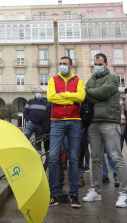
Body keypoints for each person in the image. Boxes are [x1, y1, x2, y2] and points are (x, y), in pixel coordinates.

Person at [82, 53, 127, 208]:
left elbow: (103, 92)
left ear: (106, 64)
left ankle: (124, 194)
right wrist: (96, 94)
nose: (97, 66)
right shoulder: (90, 80)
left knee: (116, 157)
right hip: (94, 123)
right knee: (96, 158)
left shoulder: (112, 78)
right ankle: (95, 191)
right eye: (95, 63)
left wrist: (93, 93)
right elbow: (86, 96)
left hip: (109, 122)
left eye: (100, 63)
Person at [47, 56, 85, 208]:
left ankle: (74, 194)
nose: (62, 66)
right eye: (60, 63)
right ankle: (53, 194)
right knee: (53, 158)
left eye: (65, 64)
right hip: (56, 122)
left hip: (74, 121)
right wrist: (71, 99)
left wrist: (61, 96)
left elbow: (81, 97)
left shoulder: (78, 81)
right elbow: (50, 97)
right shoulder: (53, 80)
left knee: (74, 159)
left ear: (71, 66)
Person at [24, 87, 50, 152]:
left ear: (42, 93)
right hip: (31, 123)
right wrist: (28, 120)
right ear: (35, 93)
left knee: (38, 141)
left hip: (40, 126)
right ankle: (25, 149)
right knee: (26, 135)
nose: (39, 93)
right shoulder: (30, 101)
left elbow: (48, 114)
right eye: (37, 92)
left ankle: (38, 154)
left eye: (40, 92)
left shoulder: (46, 103)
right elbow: (25, 112)